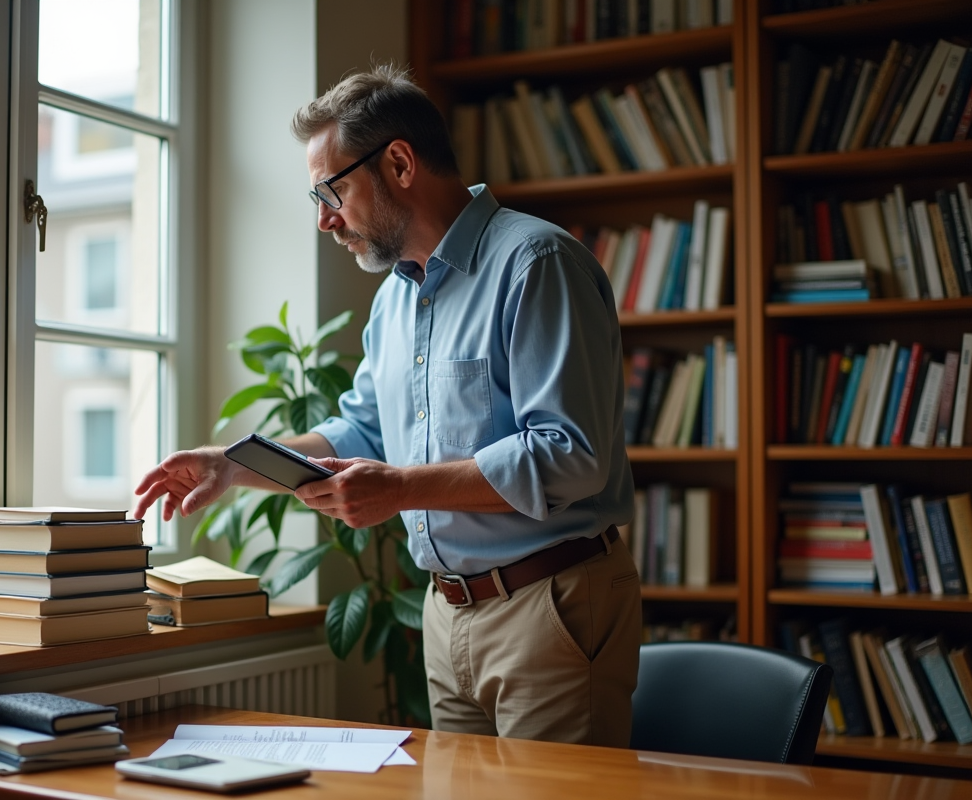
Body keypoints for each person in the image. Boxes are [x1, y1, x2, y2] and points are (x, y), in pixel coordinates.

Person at [132, 64, 641, 747]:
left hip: (549, 607)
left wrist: (399, 489)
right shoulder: (396, 299)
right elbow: (362, 430)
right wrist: (231, 467)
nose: (323, 219)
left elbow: (567, 455)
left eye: (329, 189)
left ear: (398, 162)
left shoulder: (537, 264)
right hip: (445, 614)